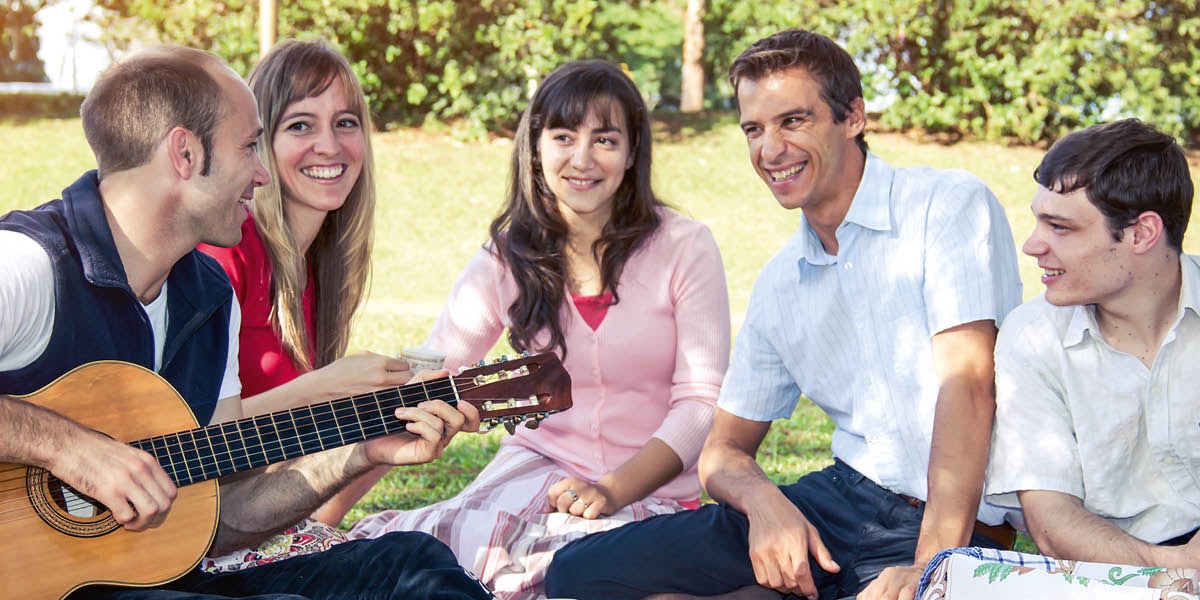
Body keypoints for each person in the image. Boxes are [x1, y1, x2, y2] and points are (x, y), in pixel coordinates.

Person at [545, 28, 1022, 600]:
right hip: (837, 505)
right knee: (579, 572)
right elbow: (722, 452)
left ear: (853, 117)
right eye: (754, 129)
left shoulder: (945, 207)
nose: (769, 150)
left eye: (793, 121)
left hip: (955, 525)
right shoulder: (780, 282)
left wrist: (933, 568)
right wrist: (766, 505)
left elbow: (968, 387)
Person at [0, 45, 492, 599]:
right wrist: (69, 449)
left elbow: (222, 518)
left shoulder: (208, 299)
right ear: (185, 153)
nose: (262, 172)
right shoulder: (30, 265)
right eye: (249, 146)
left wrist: (359, 453)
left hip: (155, 579)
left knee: (409, 566)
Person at [345, 59, 732, 599]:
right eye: (563, 136)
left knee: (581, 576)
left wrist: (611, 490)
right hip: (532, 472)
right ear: (535, 147)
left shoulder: (685, 247)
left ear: (633, 151)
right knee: (416, 562)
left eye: (605, 138)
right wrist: (329, 500)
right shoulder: (508, 255)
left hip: (648, 491)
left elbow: (699, 404)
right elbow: (433, 373)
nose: (582, 158)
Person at [918, 119, 1200, 599]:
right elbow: (1052, 522)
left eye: (1061, 227)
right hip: (1102, 572)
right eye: (1038, 220)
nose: (1032, 245)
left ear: (1142, 233)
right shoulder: (1031, 337)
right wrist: (1171, 569)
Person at [195, 39, 412, 570]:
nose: (329, 146)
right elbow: (194, 437)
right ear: (258, 144)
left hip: (270, 531)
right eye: (300, 126)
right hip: (197, 534)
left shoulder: (322, 265)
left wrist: (390, 419)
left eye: (345, 122)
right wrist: (329, 387)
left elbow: (299, 465)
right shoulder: (224, 254)